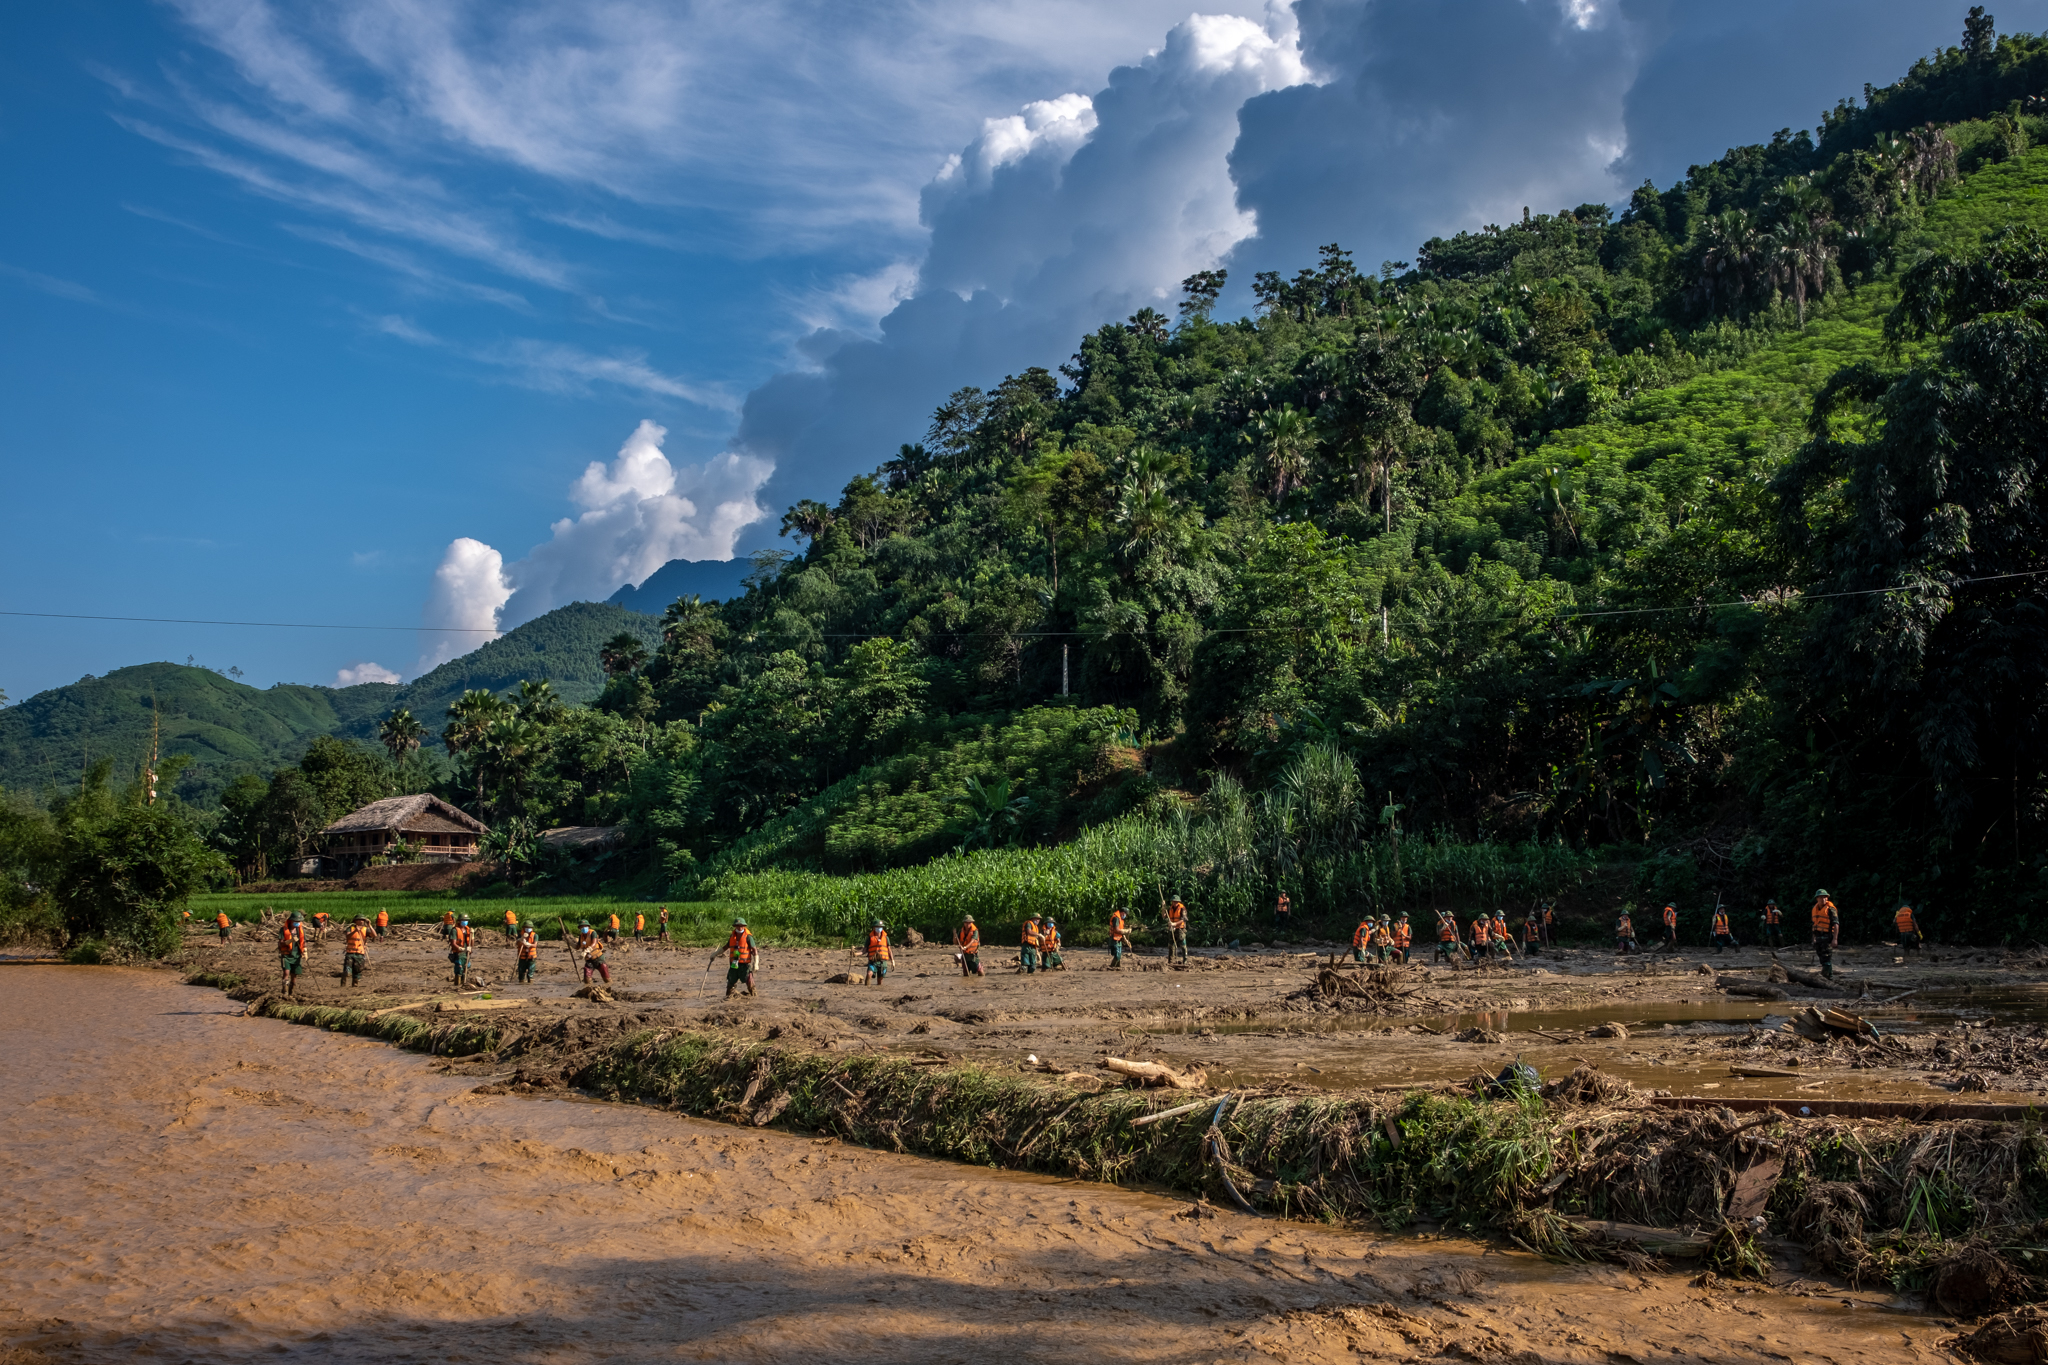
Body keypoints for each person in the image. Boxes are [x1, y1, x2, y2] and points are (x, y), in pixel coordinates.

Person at [714, 918, 756, 996]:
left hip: (744, 964)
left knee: (750, 982)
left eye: (741, 926)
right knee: (731, 981)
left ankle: (754, 996)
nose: (739, 928)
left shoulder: (748, 937)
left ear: (744, 926)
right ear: (735, 927)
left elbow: (754, 950)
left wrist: (756, 963)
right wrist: (715, 954)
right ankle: (729, 996)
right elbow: (725, 947)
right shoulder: (732, 936)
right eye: (738, 926)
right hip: (734, 963)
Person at [1811, 889, 1841, 979]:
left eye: (1825, 897)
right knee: (1821, 958)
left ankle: (1828, 977)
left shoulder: (1831, 909)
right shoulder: (1815, 909)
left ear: (1827, 898)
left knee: (1826, 957)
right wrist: (1814, 937)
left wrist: (1835, 939)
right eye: (1820, 897)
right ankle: (1826, 975)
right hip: (1818, 936)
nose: (1823, 899)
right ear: (1817, 899)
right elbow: (1814, 924)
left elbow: (1836, 924)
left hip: (1827, 936)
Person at [276, 914, 308, 997]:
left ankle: (291, 992)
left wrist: (305, 951)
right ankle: (285, 991)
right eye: (296, 921)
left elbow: (304, 942)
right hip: (286, 955)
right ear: (291, 921)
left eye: (299, 921)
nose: (297, 923)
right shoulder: (283, 930)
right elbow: (280, 943)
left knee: (294, 975)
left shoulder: (301, 930)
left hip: (296, 955)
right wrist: (290, 940)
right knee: (286, 972)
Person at [341, 917, 371, 987]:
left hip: (360, 953)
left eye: (363, 920)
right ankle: (343, 985)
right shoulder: (350, 928)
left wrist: (370, 926)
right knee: (347, 971)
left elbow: (374, 935)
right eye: (360, 920)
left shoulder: (366, 929)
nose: (362, 921)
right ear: (356, 921)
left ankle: (355, 985)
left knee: (357, 970)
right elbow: (348, 937)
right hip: (350, 952)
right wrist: (355, 931)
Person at [450, 916, 476, 988]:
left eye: (466, 920)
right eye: (464, 920)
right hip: (459, 952)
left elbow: (471, 944)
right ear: (459, 921)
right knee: (459, 968)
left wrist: (472, 935)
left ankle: (463, 983)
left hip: (466, 952)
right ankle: (457, 985)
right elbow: (453, 943)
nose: (465, 921)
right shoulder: (455, 930)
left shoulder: (468, 930)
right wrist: (462, 949)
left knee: (466, 967)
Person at [864, 920, 892, 984]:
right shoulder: (869, 938)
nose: (879, 928)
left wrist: (892, 960)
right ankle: (866, 987)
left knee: (880, 980)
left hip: (883, 962)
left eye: (880, 927)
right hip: (873, 961)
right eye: (877, 927)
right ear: (874, 928)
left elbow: (889, 950)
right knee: (869, 974)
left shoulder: (886, 938)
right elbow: (864, 951)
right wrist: (855, 954)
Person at [1164, 897, 1189, 966]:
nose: (1174, 903)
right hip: (1172, 929)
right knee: (1171, 944)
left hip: (1180, 928)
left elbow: (1183, 919)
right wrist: (1163, 907)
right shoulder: (1170, 908)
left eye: (1175, 901)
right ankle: (1171, 961)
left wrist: (1174, 924)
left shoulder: (1182, 908)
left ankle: (1185, 960)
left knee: (1183, 943)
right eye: (1173, 901)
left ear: (1178, 902)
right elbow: (1164, 916)